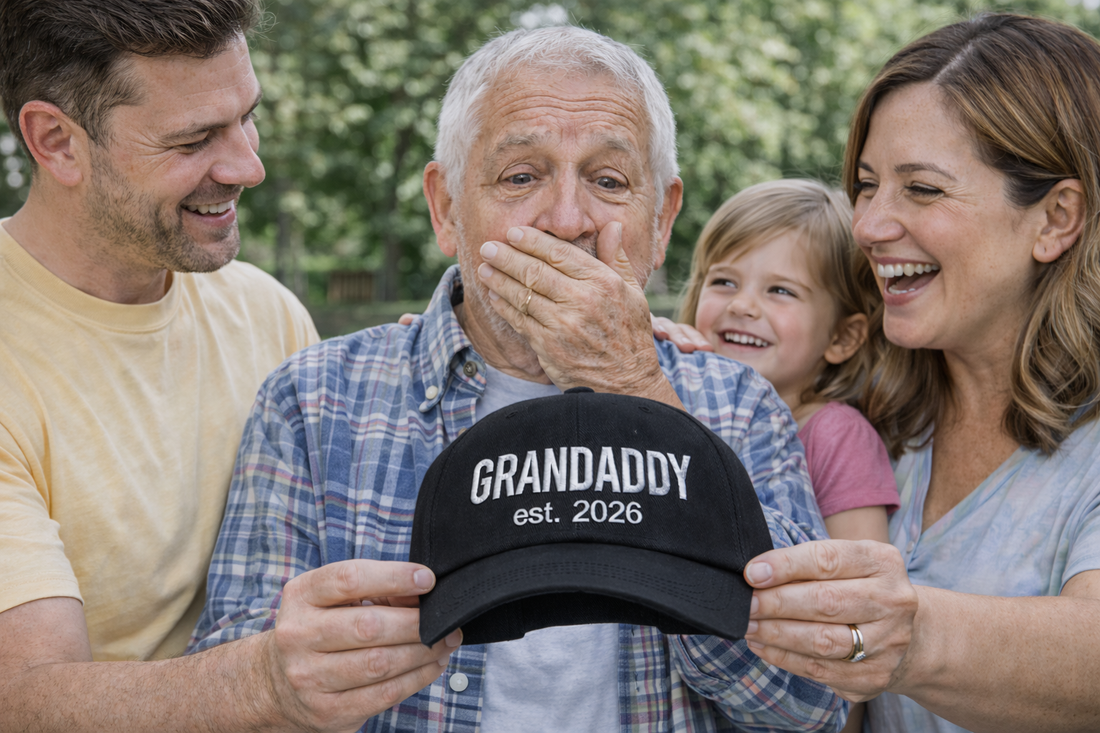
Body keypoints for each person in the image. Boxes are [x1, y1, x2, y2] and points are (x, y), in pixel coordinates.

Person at [190, 26, 846, 732]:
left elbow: (810, 702)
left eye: (609, 181)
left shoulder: (741, 406)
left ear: (661, 221)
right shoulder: (313, 403)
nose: (567, 220)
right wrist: (294, 679)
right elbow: (237, 692)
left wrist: (637, 392)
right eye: (521, 176)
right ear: (446, 209)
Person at [0, 3, 454, 731]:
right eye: (195, 139)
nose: (249, 164)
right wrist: (266, 682)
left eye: (247, 116)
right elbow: (22, 697)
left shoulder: (267, 314)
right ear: (56, 141)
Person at [737, 14, 1100, 733]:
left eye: (923, 190)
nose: (868, 223)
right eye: (867, 185)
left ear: (1057, 218)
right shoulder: (863, 413)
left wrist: (912, 636)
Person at [676, 179, 898, 544]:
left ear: (841, 338)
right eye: (724, 282)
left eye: (780, 290)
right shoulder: (682, 397)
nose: (741, 305)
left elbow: (862, 580)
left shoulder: (836, 435)